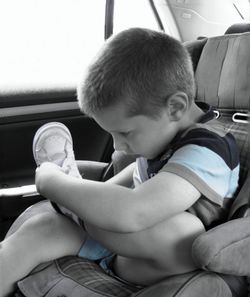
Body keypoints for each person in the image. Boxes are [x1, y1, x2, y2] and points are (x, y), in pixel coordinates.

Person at [0, 28, 240, 296]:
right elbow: (125, 185)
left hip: (170, 264)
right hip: (120, 246)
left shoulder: (208, 149)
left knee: (184, 229)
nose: (117, 145)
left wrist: (53, 183)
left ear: (175, 107)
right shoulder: (164, 140)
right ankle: (72, 202)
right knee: (41, 230)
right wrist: (86, 197)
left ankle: (70, 201)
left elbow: (133, 211)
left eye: (124, 133)